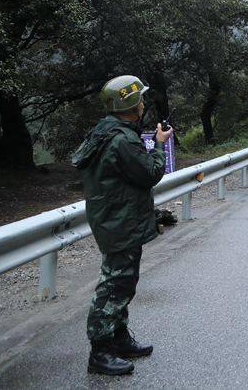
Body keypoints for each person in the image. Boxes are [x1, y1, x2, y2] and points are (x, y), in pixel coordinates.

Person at [71, 75, 172, 376]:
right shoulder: (122, 140)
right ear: (132, 104)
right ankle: (100, 351)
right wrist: (157, 145)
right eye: (140, 98)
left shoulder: (106, 131)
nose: (143, 103)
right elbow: (149, 173)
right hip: (120, 220)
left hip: (114, 217)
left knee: (123, 282)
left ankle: (119, 338)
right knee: (114, 285)